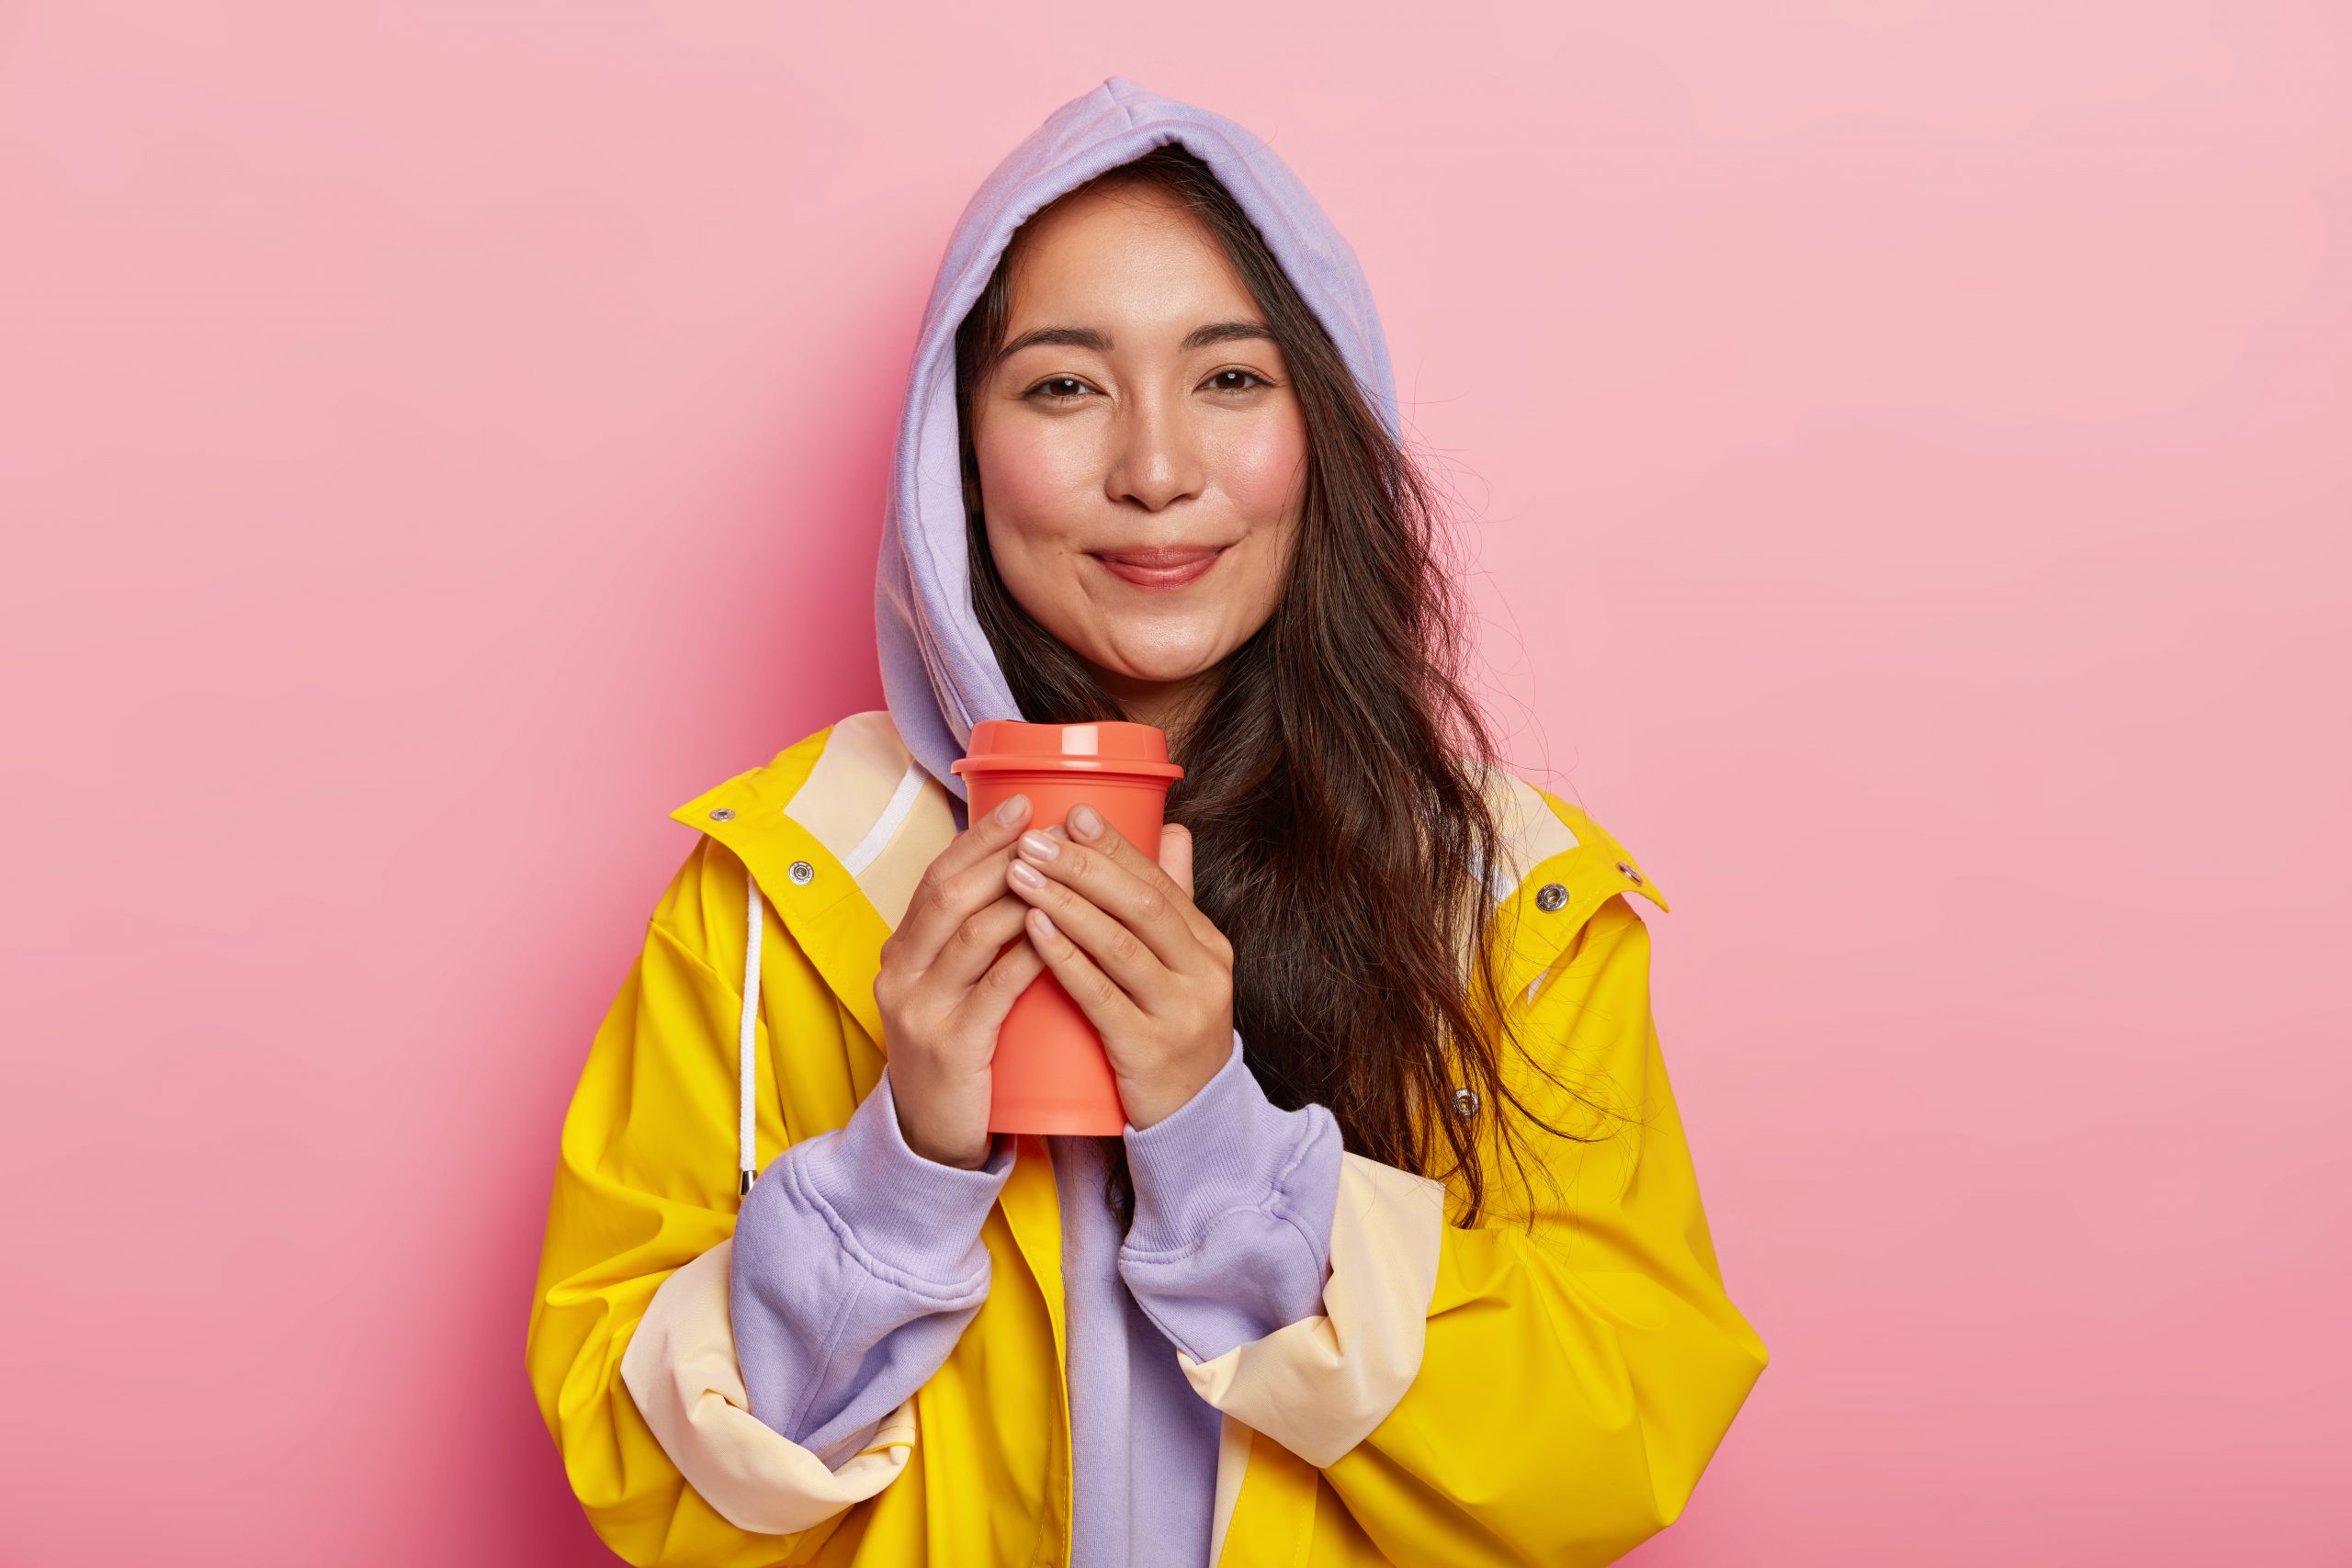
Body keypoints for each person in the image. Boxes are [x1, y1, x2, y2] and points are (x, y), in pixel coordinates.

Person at [525, 75, 1768, 1568]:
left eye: (1232, 379)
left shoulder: (1502, 899)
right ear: (954, 452)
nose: (1158, 470)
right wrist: (905, 1159)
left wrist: (1221, 1144)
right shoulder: (784, 889)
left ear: (1325, 429)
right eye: (1064, 385)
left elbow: (1610, 1443)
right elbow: (652, 1489)